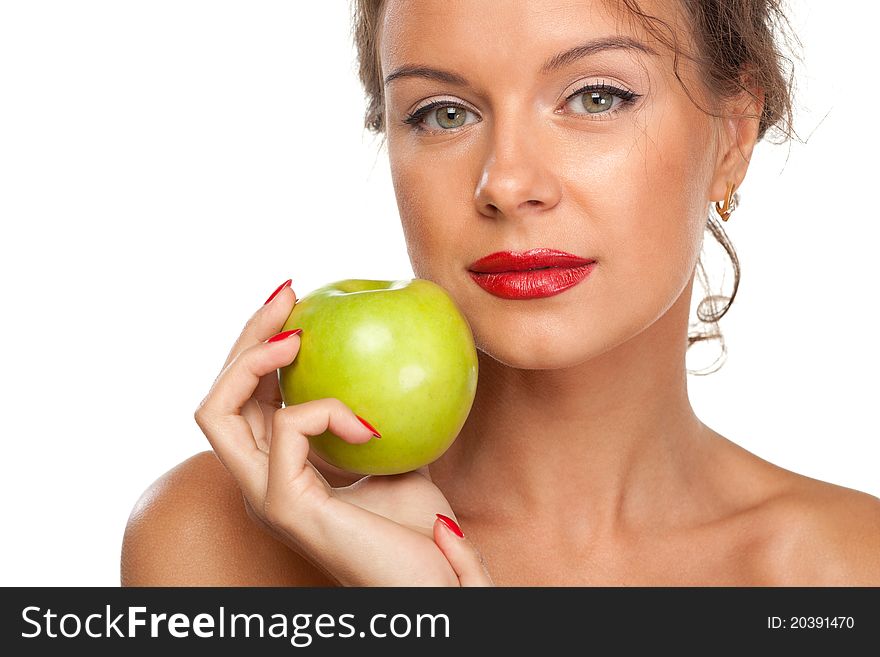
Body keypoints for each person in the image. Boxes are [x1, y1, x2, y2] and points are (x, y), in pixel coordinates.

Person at [121, 0, 880, 586]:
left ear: (734, 136)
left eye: (595, 97)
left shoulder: (847, 571)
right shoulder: (213, 539)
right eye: (443, 113)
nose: (507, 183)